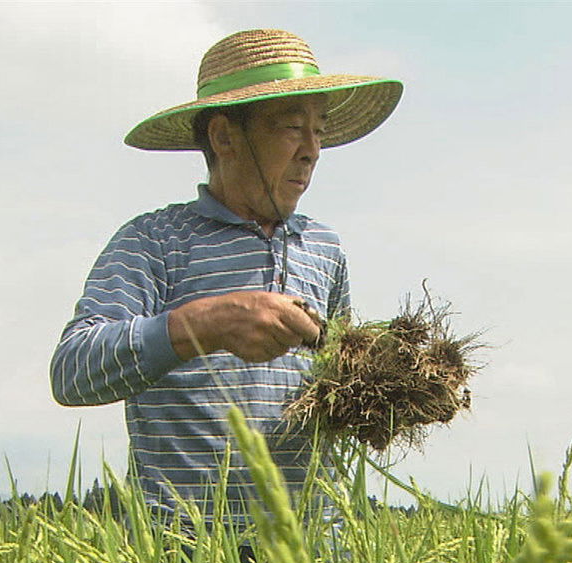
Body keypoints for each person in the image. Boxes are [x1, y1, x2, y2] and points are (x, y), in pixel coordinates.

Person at [50, 29, 402, 530]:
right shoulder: (155, 241)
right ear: (223, 137)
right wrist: (203, 324)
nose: (312, 150)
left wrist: (395, 382)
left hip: (312, 548)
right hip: (184, 555)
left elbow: (339, 376)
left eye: (319, 130)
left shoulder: (325, 248)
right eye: (291, 127)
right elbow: (73, 371)